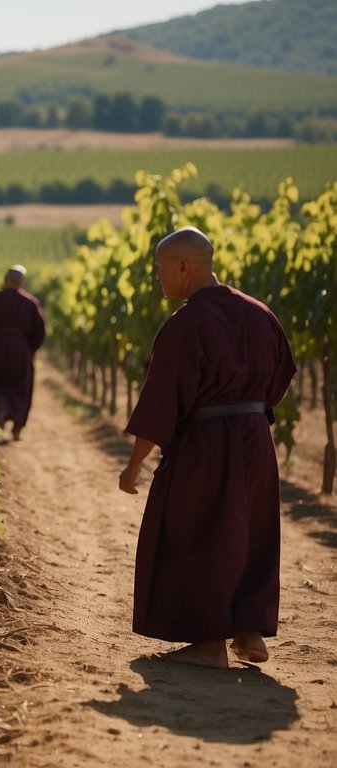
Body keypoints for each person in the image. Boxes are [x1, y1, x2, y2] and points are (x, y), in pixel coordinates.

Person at [119, 227, 295, 668]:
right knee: (250, 532)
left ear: (184, 266)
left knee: (194, 533)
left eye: (161, 267)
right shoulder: (260, 313)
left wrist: (133, 466)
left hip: (207, 444)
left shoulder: (186, 324)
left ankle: (208, 644)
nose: (157, 277)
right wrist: (250, 413)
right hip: (256, 439)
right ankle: (250, 630)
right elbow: (283, 376)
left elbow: (162, 403)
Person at [0, 265, 45, 440]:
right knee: (21, 386)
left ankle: (1, 410)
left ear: (6, 280)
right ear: (22, 282)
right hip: (20, 349)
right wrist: (31, 349)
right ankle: (17, 427)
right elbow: (39, 332)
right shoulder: (30, 302)